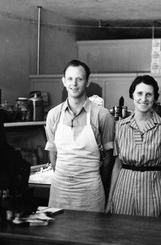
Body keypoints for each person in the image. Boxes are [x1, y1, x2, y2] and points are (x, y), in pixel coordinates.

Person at [45, 59, 114, 212]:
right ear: (63, 81)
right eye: (70, 78)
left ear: (87, 82)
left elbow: (109, 157)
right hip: (60, 189)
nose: (74, 84)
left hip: (90, 190)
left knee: (90, 234)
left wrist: (97, 183)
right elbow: (52, 151)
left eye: (79, 79)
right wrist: (63, 175)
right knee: (57, 233)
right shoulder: (53, 114)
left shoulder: (102, 115)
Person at [106, 75, 161, 217]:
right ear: (132, 95)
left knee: (149, 236)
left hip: (152, 191)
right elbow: (117, 165)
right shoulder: (120, 126)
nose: (143, 99)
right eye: (139, 93)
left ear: (155, 98)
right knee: (121, 234)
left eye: (149, 94)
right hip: (123, 191)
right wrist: (110, 200)